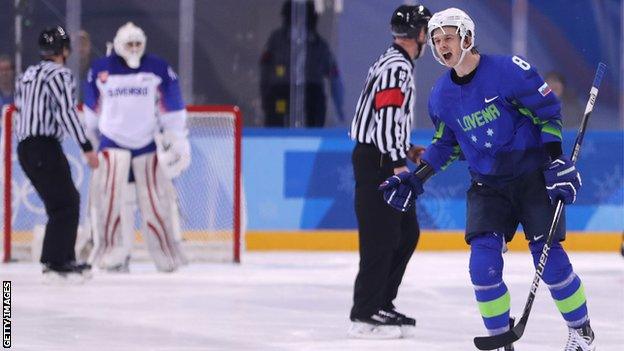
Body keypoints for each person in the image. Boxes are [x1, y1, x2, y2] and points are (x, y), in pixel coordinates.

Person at [379, 8, 596, 350]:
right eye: (435, 40)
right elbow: (446, 144)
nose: (440, 45)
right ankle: (500, 341)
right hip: (488, 185)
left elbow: (548, 113)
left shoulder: (509, 71)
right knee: (482, 267)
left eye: (447, 37)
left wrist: (556, 161)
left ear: (467, 37)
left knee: (550, 260)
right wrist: (415, 178)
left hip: (531, 178)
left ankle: (581, 331)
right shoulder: (441, 95)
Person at [347, 4, 431, 339]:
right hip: (379, 162)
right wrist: (398, 164)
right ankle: (366, 310)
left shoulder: (394, 62)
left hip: (382, 156)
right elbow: (385, 120)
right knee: (381, 238)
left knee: (405, 233)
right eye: (426, 29)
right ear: (419, 34)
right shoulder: (397, 67)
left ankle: (381, 301)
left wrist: (407, 149)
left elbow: (388, 119)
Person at [83, 22, 190, 273]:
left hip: (146, 144)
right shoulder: (100, 69)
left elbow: (172, 105)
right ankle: (111, 253)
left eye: (137, 44)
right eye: (128, 44)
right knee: (109, 201)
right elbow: (91, 111)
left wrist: (176, 137)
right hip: (112, 141)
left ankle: (166, 254)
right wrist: (90, 141)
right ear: (119, 45)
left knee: (157, 202)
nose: (133, 49)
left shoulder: (158, 68)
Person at [13, 26, 99, 282]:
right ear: (64, 50)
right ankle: (59, 261)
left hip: (26, 147)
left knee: (59, 203)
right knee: (67, 202)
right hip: (44, 145)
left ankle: (55, 259)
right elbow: (66, 113)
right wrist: (86, 147)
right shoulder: (59, 75)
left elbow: (19, 110)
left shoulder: (27, 74)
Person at [260, 0, 345, 127]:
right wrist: (265, 94)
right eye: (295, 19)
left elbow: (334, 76)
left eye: (305, 19)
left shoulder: (320, 46)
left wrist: (339, 108)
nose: (299, 23)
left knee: (315, 105)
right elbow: (265, 70)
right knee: (277, 112)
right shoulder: (276, 41)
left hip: (311, 93)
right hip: (280, 91)